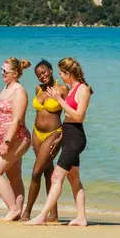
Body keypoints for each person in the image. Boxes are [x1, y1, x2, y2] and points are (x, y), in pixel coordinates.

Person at [25, 57, 93, 226]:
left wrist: (59, 99)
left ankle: (41, 216)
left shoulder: (82, 89)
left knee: (56, 177)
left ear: (68, 73)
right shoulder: (73, 88)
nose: (60, 76)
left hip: (75, 137)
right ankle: (81, 217)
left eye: (62, 73)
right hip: (68, 135)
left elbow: (79, 116)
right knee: (74, 178)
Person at [20, 59, 69, 222]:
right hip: (37, 133)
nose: (42, 76)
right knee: (48, 172)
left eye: (44, 72)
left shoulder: (62, 89)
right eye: (39, 74)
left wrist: (63, 136)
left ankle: (26, 212)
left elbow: (69, 113)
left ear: (51, 70)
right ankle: (53, 214)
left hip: (54, 133)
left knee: (36, 173)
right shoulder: (37, 89)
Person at [0, 58, 32, 221]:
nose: (2, 73)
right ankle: (18, 211)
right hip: (5, 139)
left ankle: (12, 209)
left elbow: (16, 120)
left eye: (5, 71)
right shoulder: (7, 87)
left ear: (15, 73)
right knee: (14, 177)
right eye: (1, 70)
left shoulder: (19, 91)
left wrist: (6, 142)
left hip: (16, 139)